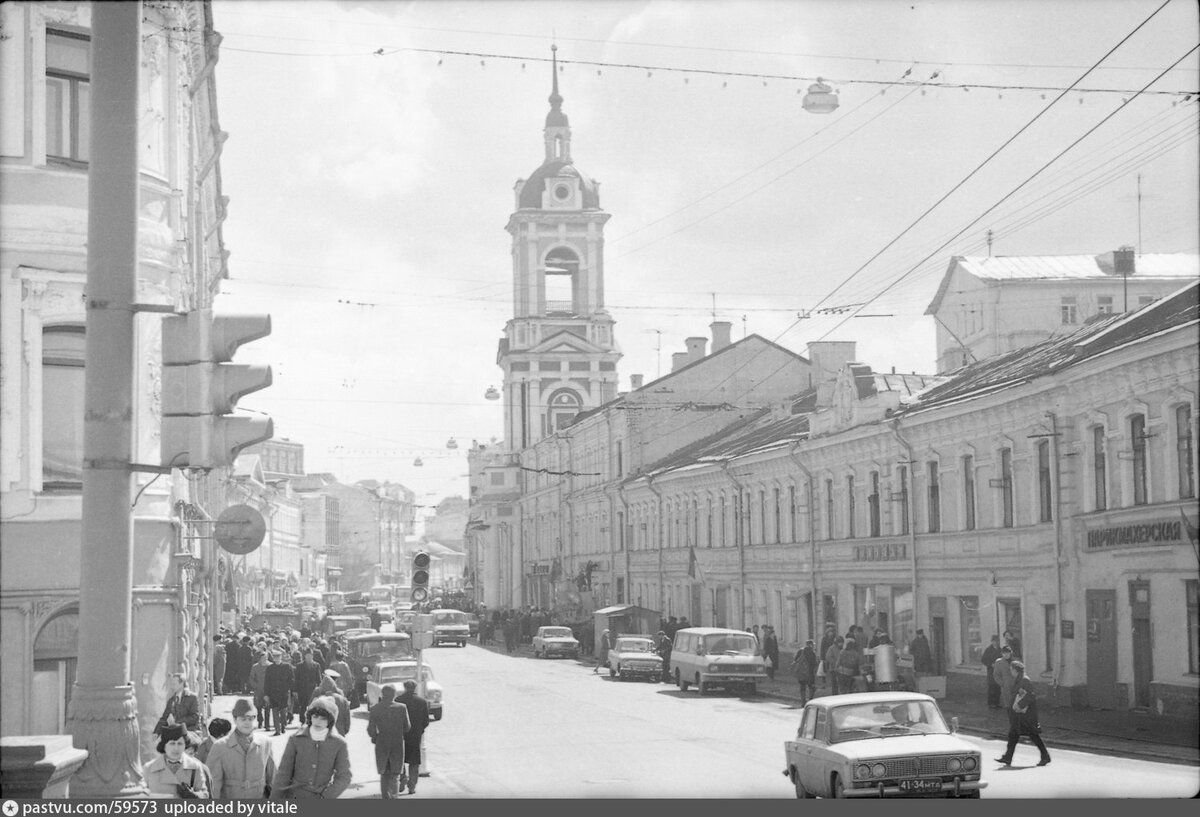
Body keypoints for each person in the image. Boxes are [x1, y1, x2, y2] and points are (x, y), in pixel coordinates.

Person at [271, 702, 352, 799]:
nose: (318, 721)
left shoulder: (339, 743)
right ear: (310, 717)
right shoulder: (296, 739)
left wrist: (327, 796)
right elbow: (283, 773)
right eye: (315, 716)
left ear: (330, 721)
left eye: (323, 718)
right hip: (295, 796)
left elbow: (344, 776)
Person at [207, 699, 277, 799]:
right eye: (243, 719)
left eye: (251, 718)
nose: (247, 722)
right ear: (235, 719)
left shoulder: (265, 743)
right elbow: (213, 785)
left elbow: (273, 779)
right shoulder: (220, 747)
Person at [995, 660, 1051, 767]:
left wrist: (1019, 705)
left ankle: (1045, 756)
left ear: (1015, 670)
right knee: (1013, 735)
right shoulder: (1019, 679)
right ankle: (1008, 757)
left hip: (1026, 715)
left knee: (1033, 735)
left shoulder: (1025, 680)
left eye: (1011, 669)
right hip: (1019, 715)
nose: (1010, 671)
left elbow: (1030, 696)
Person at [367, 684, 411, 799]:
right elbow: (407, 727)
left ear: (382, 694)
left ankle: (385, 798)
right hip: (397, 743)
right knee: (395, 774)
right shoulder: (402, 708)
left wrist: (375, 737)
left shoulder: (375, 708)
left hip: (382, 743)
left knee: (384, 774)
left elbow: (370, 729)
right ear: (394, 695)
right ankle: (394, 798)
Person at [144, 724, 211, 799]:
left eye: (180, 744)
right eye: (172, 743)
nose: (176, 748)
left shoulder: (195, 767)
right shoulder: (150, 768)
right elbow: (141, 796)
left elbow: (205, 795)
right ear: (164, 746)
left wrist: (193, 795)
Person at [395, 679, 430, 795]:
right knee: (414, 762)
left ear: (404, 687)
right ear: (415, 688)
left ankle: (402, 778)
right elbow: (426, 721)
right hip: (415, 735)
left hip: (401, 735)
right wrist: (420, 730)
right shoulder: (422, 702)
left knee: (401, 759)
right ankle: (412, 785)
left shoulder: (398, 700)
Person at [154, 673, 201, 737]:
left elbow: (195, 717)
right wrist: (156, 732)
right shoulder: (171, 700)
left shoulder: (192, 697)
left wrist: (177, 722)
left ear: (181, 684)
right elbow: (164, 718)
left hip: (190, 733)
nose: (172, 687)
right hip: (175, 734)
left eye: (174, 684)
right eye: (171, 684)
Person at [263, 650, 295, 736]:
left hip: (284, 693)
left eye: (278, 657)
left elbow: (291, 679)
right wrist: (266, 694)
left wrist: (290, 689)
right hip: (273, 693)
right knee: (275, 711)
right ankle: (277, 730)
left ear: (281, 657)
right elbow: (266, 682)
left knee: (283, 712)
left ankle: (283, 725)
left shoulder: (287, 667)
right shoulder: (270, 668)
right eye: (275, 657)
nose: (276, 659)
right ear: (273, 658)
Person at [313, 670, 351, 737]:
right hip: (339, 732)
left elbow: (309, 711)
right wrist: (344, 730)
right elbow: (346, 717)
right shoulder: (340, 695)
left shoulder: (317, 693)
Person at [790, 640, 819, 704]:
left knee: (802, 687)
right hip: (810, 673)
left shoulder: (801, 651)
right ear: (811, 645)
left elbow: (795, 660)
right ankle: (810, 700)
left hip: (801, 673)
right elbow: (815, 663)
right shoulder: (812, 653)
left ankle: (803, 701)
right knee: (811, 687)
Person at [248, 650, 271, 732]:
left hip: (268, 690)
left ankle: (267, 725)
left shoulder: (270, 666)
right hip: (258, 690)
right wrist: (255, 686)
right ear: (260, 658)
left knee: (268, 707)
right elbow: (251, 678)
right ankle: (260, 721)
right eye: (262, 658)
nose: (264, 659)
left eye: (265, 657)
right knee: (258, 706)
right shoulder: (255, 667)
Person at [981, 636, 1004, 709]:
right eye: (994, 641)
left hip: (998, 671)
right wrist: (990, 664)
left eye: (997, 641)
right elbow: (983, 660)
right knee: (992, 687)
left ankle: (997, 703)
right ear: (992, 641)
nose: (996, 642)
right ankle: (991, 703)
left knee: (998, 687)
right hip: (991, 671)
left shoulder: (1000, 650)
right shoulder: (988, 650)